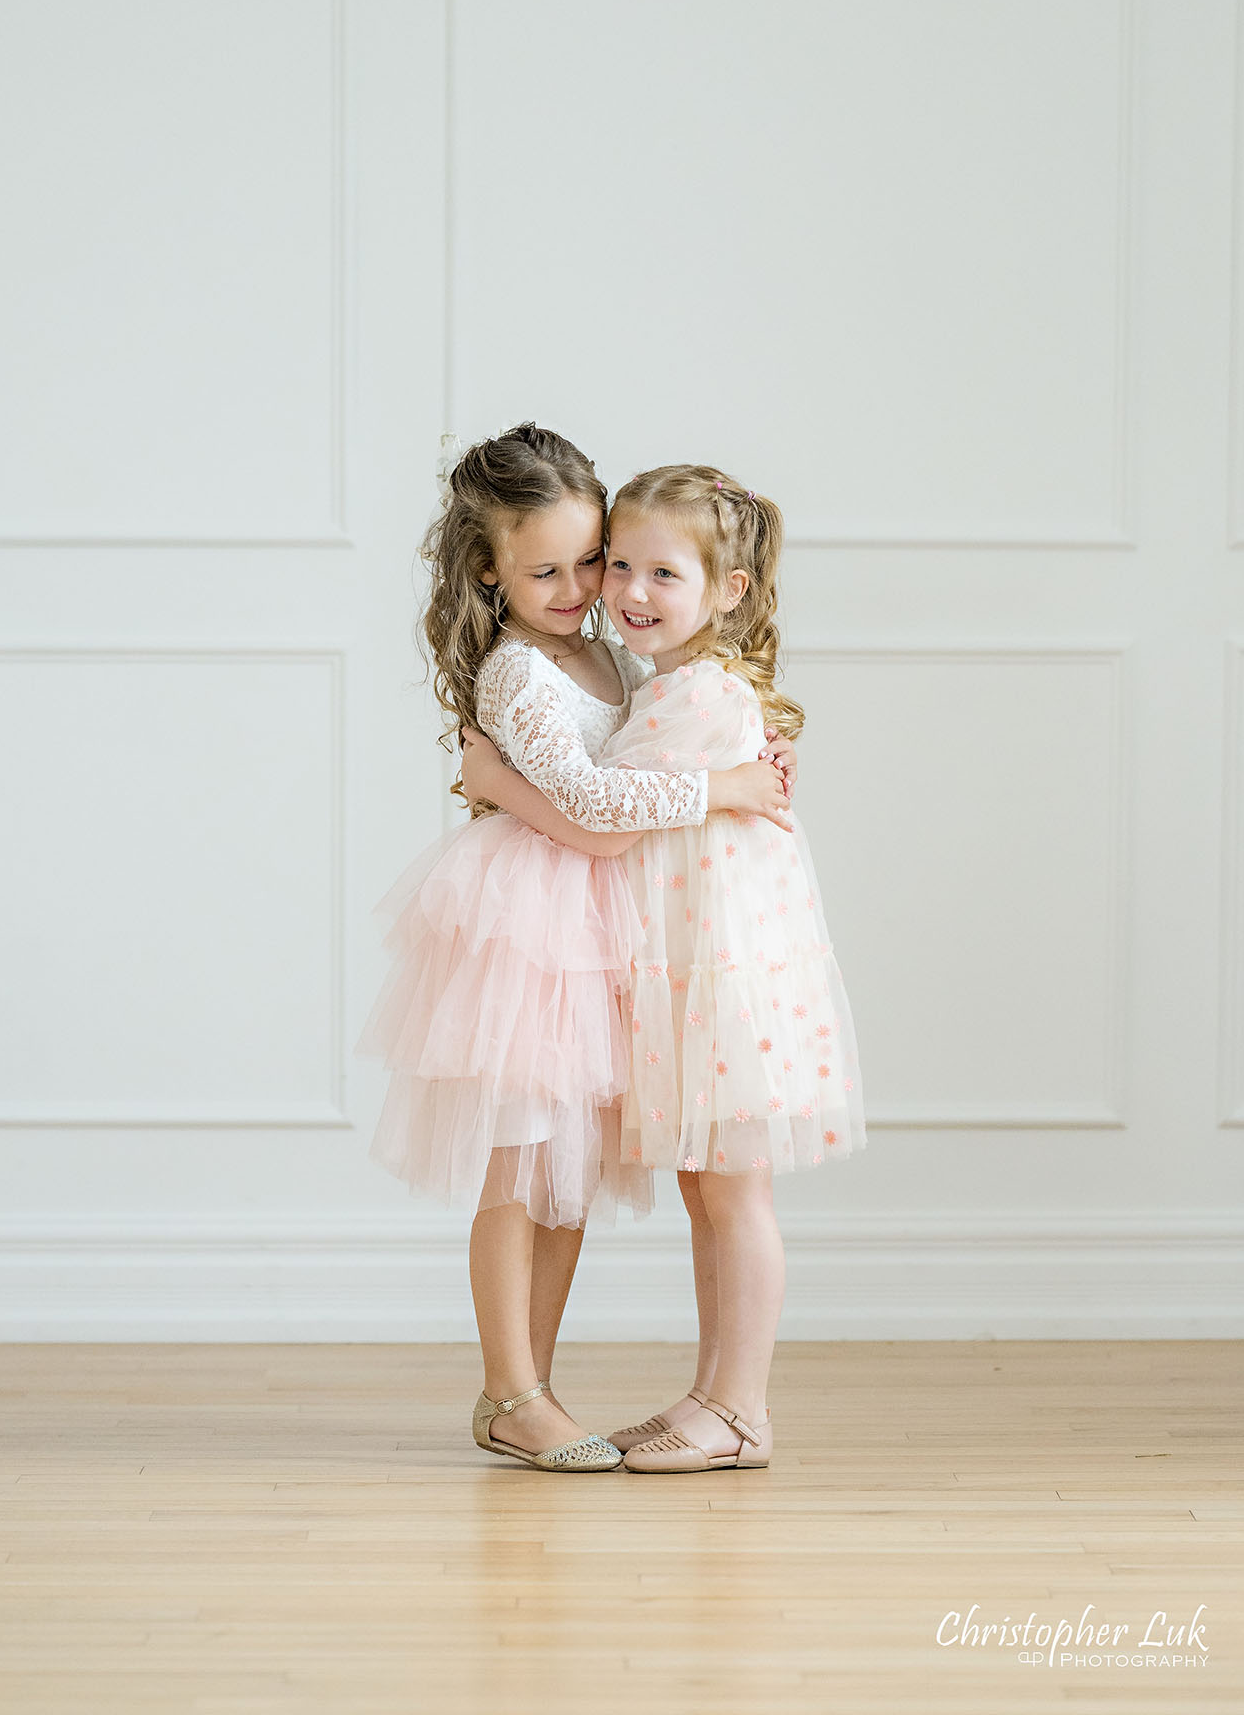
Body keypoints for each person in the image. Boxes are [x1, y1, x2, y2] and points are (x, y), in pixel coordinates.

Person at [355, 426, 796, 1472]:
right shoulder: (517, 670)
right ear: (488, 569)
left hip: (602, 925)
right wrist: (721, 787)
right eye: (542, 569)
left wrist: (745, 749)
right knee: (519, 1166)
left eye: (587, 561)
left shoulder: (605, 652)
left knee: (565, 1172)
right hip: (530, 928)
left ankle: (532, 1388)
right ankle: (512, 1389)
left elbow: (649, 753)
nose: (576, 586)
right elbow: (599, 812)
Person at [459, 462, 866, 1473]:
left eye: (623, 566)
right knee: (593, 1174)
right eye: (616, 567)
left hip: (702, 963)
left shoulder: (667, 682)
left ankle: (731, 1407)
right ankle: (670, 1398)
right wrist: (728, 778)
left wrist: (496, 780)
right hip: (597, 942)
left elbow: (615, 803)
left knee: (720, 1189)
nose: (618, 590)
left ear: (726, 589)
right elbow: (614, 797)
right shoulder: (625, 673)